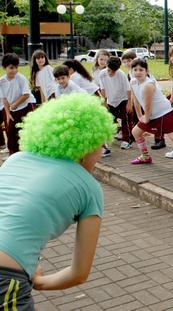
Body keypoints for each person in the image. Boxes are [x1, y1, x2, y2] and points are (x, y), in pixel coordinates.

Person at [0, 93, 115, 309]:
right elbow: (79, 274)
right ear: (86, 146)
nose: (101, 152)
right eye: (101, 145)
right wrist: (39, 281)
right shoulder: (89, 188)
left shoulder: (15, 159)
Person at [129, 58, 173, 173]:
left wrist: (146, 118)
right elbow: (136, 101)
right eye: (135, 69)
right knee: (135, 132)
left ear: (146, 71)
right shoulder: (132, 82)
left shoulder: (148, 85)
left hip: (163, 113)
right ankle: (145, 157)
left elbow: (148, 105)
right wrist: (139, 117)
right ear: (131, 71)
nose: (138, 72)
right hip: (150, 114)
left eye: (141, 70)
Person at [0, 53, 33, 155]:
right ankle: (12, 155)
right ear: (4, 68)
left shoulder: (20, 78)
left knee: (23, 132)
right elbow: (4, 99)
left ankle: (26, 154)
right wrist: (8, 113)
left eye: (16, 67)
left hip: (25, 108)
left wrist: (15, 104)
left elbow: (26, 94)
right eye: (11, 68)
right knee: (10, 133)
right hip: (13, 110)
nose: (14, 70)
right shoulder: (2, 81)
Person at [99, 57, 134, 150]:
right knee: (109, 119)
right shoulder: (102, 74)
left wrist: (129, 102)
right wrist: (104, 101)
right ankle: (107, 139)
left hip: (123, 99)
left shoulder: (121, 75)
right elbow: (103, 89)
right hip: (111, 100)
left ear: (118, 69)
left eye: (113, 71)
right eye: (109, 70)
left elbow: (128, 89)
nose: (110, 73)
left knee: (125, 119)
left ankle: (127, 140)